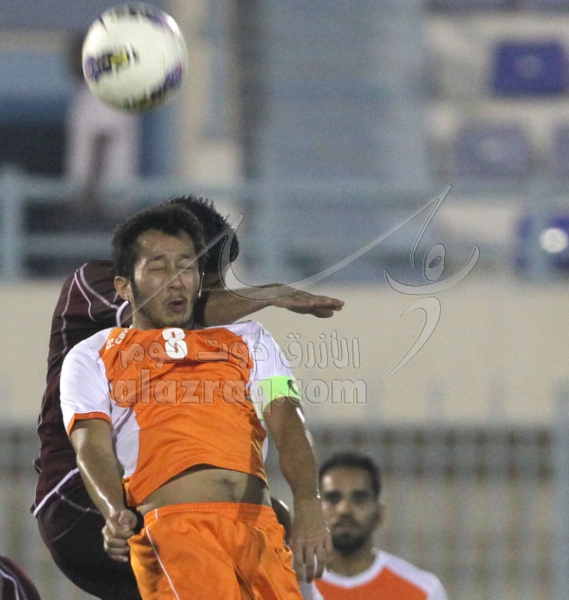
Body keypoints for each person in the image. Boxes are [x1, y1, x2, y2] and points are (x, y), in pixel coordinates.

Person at [33, 195, 343, 600]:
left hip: (230, 523)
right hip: (79, 496)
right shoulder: (94, 293)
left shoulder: (244, 342)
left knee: (279, 519)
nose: (184, 284)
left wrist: (309, 504)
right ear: (126, 283)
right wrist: (268, 295)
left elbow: (287, 419)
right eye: (213, 282)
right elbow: (174, 304)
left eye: (190, 270)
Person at [315, 452, 448, 600]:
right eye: (333, 498)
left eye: (359, 498)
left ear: (379, 515)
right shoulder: (296, 584)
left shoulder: (423, 591)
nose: (344, 509)